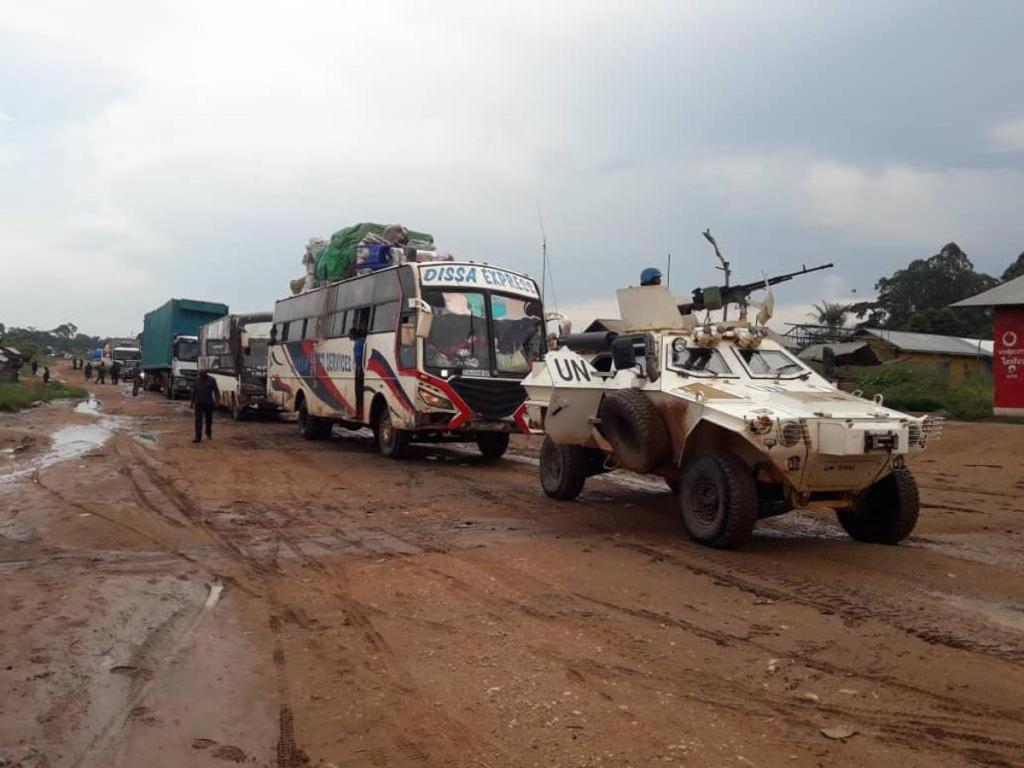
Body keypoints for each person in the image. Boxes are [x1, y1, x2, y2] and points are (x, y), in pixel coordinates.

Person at [191, 370, 219, 443]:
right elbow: (194, 392)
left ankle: (208, 432)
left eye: (203, 373)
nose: (201, 374)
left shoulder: (212, 380)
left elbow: (216, 391)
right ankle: (198, 437)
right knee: (198, 420)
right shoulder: (196, 380)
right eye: (201, 373)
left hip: (208, 403)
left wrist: (217, 402)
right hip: (198, 403)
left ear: (206, 373)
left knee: (208, 420)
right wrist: (192, 403)